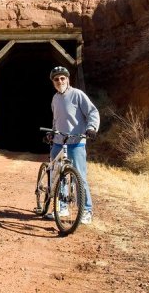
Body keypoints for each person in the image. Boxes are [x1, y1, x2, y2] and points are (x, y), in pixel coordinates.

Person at [46, 66, 100, 224]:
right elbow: (56, 120)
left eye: (62, 78)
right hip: (58, 142)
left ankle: (86, 211)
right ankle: (61, 207)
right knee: (57, 176)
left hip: (76, 142)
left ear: (68, 79)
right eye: (56, 79)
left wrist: (91, 128)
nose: (59, 81)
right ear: (53, 82)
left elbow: (92, 112)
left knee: (79, 177)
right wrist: (52, 133)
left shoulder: (77, 94)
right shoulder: (55, 98)